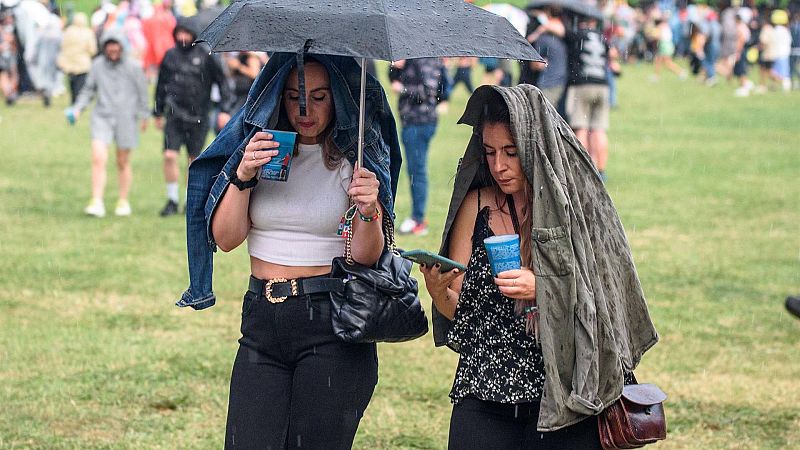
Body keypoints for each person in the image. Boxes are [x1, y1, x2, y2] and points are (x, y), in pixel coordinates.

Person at [178, 53, 402, 449]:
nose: (305, 110)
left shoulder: (357, 159)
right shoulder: (263, 152)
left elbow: (366, 258)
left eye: (319, 97)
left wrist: (370, 209)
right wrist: (241, 174)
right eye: (294, 96)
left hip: (331, 321)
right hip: (262, 321)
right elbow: (227, 240)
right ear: (277, 97)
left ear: (339, 99)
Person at [421, 84, 658, 449]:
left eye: (511, 153)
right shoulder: (477, 205)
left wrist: (545, 286)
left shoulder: (573, 209)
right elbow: (467, 316)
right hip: (486, 390)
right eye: (489, 152)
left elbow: (608, 303)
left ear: (534, 147)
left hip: (564, 394)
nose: (499, 166)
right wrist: (440, 294)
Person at [153, 17, 231, 216]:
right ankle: (172, 199)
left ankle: (190, 200)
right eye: (179, 33)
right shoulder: (170, 55)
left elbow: (222, 82)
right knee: (169, 155)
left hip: (199, 115)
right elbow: (161, 84)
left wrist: (224, 109)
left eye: (186, 33)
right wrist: (157, 111)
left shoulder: (206, 56)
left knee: (194, 160)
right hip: (174, 114)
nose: (183, 37)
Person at [68, 31, 149, 217]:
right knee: (98, 158)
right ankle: (96, 200)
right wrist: (77, 108)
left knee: (122, 160)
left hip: (126, 117)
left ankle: (123, 200)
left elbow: (142, 92)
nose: (112, 49)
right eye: (109, 45)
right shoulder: (97, 66)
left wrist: (145, 115)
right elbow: (88, 91)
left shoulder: (133, 67)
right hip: (102, 116)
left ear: (121, 46)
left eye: (116, 45)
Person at [390, 57, 443, 236]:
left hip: (419, 123)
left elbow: (429, 91)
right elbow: (394, 78)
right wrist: (396, 68)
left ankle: (418, 220)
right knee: (414, 170)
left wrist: (403, 89)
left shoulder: (425, 60)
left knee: (416, 171)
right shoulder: (412, 58)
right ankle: (417, 218)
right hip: (411, 121)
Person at [564, 17, 613, 181]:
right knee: (599, 129)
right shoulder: (601, 37)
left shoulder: (576, 35)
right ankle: (601, 170)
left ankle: (581, 170)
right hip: (602, 85)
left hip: (582, 84)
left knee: (581, 128)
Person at [522, 8, 568, 107]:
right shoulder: (563, 37)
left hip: (548, 82)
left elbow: (535, 65)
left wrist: (537, 33)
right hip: (561, 81)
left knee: (543, 113)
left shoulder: (543, 38)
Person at [57, 12, 97, 104]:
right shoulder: (87, 32)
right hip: (82, 62)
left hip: (69, 61)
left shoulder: (68, 31)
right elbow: (92, 49)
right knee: (81, 83)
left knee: (72, 82)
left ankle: (74, 99)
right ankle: (78, 101)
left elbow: (62, 45)